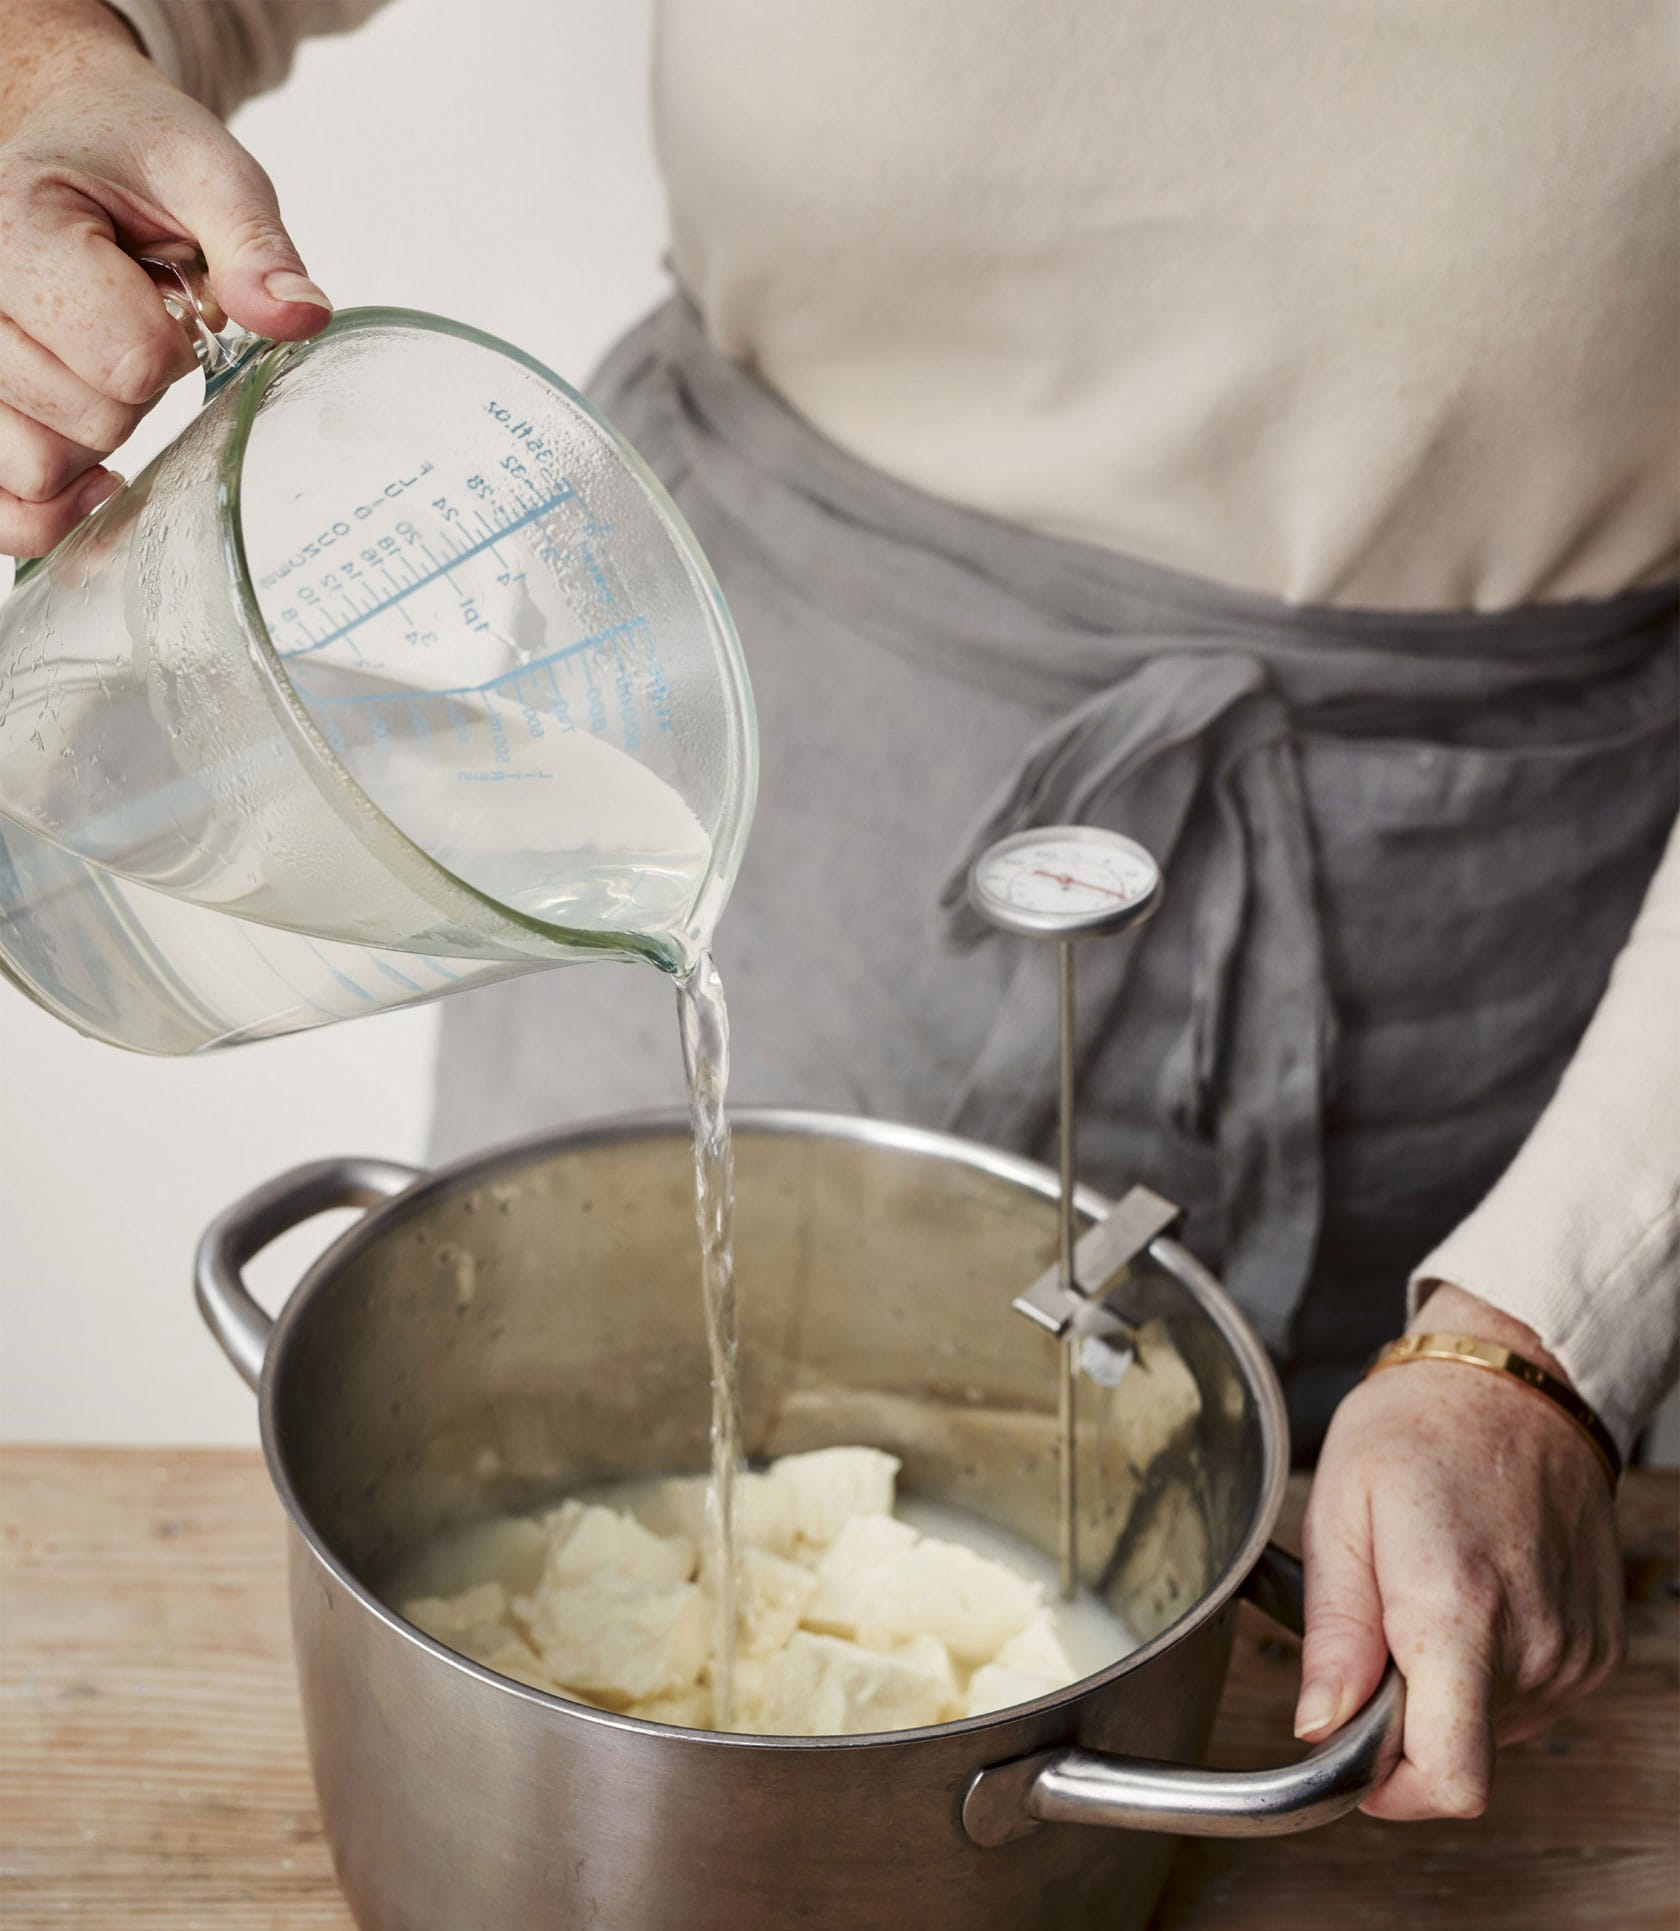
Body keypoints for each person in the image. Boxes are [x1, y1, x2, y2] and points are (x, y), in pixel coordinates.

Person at [2, 0, 1674, 1827]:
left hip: (1493, 935)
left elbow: (1536, 1344)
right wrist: (46, 69)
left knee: (1361, 1600)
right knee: (562, 1400)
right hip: (716, 721)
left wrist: (1548, 1322)